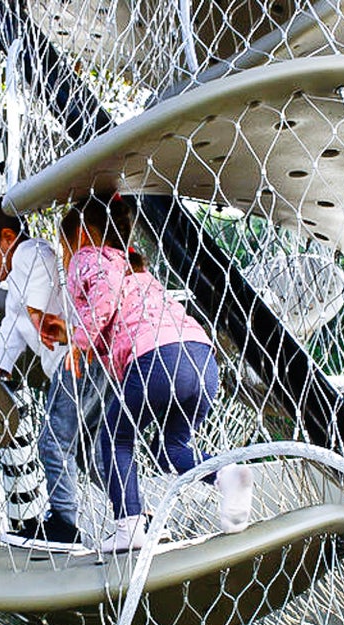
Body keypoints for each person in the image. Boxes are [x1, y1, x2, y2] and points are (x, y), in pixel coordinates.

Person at [40, 194, 254, 553]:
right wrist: (72, 333)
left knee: (111, 439)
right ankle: (226, 475)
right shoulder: (135, 267)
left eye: (63, 246)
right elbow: (117, 320)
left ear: (79, 234)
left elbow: (104, 296)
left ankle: (130, 525)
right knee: (172, 448)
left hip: (156, 360)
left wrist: (77, 341)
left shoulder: (88, 256)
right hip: (199, 359)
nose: (65, 257)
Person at [0, 195, 106, 551]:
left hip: (77, 361)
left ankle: (64, 525)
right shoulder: (15, 291)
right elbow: (11, 328)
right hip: (84, 365)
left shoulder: (29, 253)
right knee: (93, 451)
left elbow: (43, 265)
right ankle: (134, 513)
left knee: (53, 443)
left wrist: (38, 313)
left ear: (7, 238)